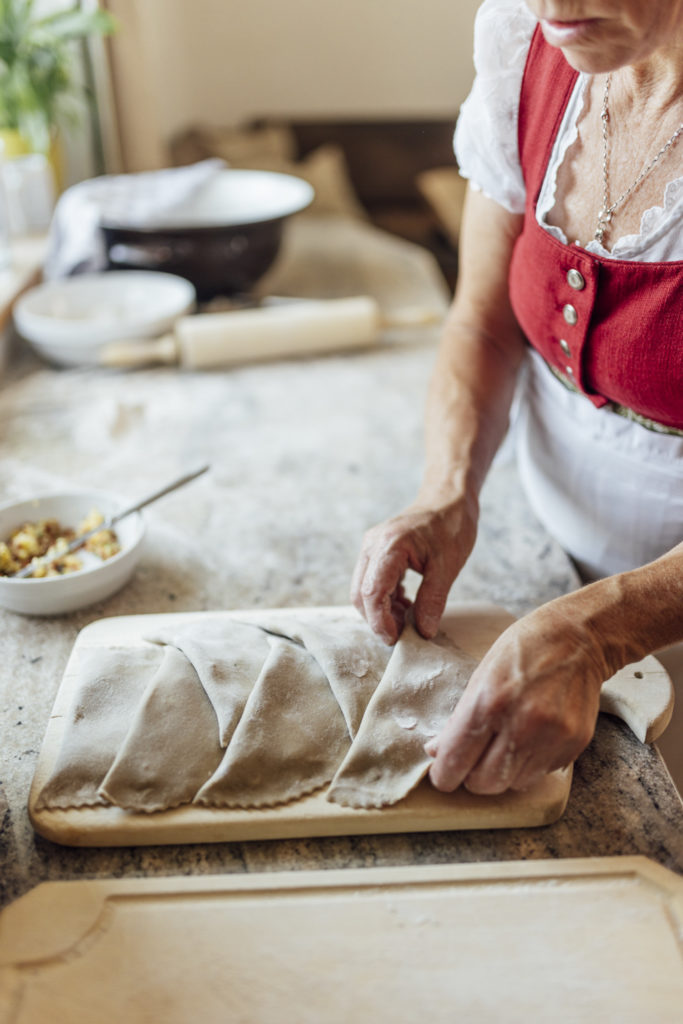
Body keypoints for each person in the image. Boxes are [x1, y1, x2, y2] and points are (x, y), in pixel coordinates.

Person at [351, 0, 683, 797]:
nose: (549, 5)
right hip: (548, 563)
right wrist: (447, 492)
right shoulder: (523, 41)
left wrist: (599, 632)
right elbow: (484, 321)